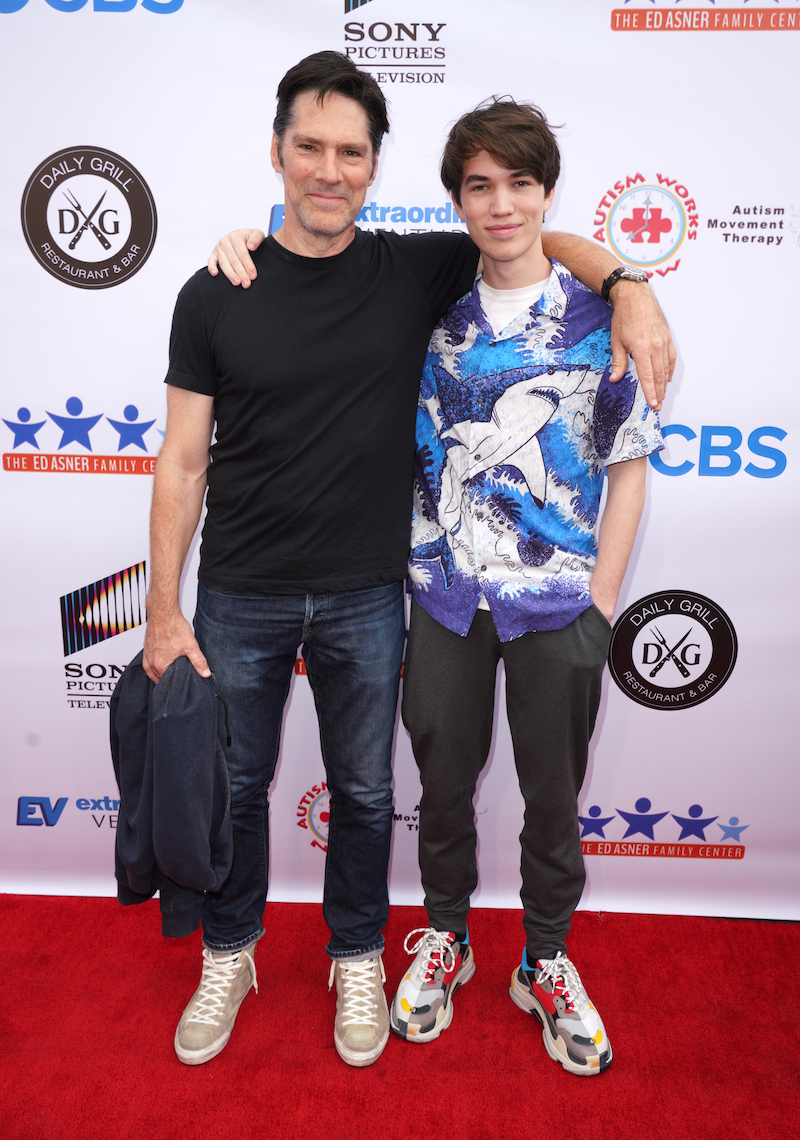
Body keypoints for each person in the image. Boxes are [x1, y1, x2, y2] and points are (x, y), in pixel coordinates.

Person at [146, 50, 673, 1071]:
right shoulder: (253, 289)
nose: (329, 169)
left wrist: (629, 281)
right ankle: (296, 945)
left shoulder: (479, 289)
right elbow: (179, 457)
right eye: (311, 147)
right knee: (300, 787)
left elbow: (537, 243)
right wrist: (165, 605)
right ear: (279, 153)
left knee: (411, 793)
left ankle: (447, 956)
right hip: (327, 592)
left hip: (444, 598)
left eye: (350, 153)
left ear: (373, 167)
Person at [386, 99, 663, 1075]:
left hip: (556, 606)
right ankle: (447, 939)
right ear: (456, 198)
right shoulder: (421, 308)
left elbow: (627, 462)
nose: (499, 203)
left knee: (553, 798)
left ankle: (542, 958)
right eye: (478, 185)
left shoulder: (598, 320)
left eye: (517, 183)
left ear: (544, 192)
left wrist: (601, 600)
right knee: (443, 787)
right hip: (445, 598)